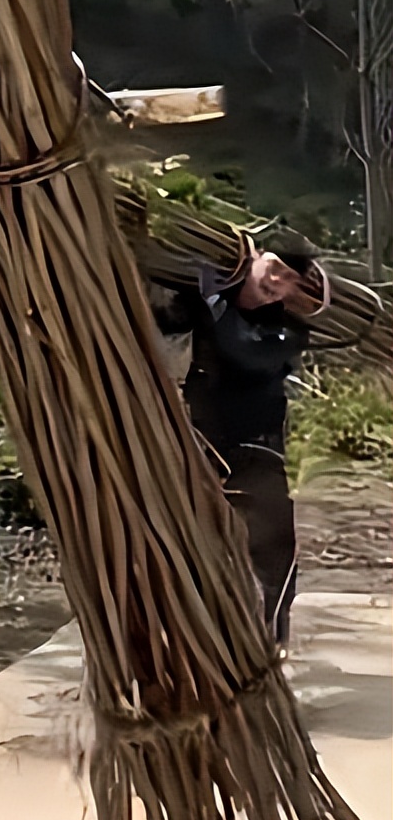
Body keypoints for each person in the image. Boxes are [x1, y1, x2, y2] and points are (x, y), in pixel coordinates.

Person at [152, 240, 322, 647]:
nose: (276, 284)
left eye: (288, 282)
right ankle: (190, 639)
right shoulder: (208, 301)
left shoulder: (289, 329)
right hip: (201, 444)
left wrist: (212, 299)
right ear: (256, 258)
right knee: (190, 541)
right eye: (275, 268)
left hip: (256, 449)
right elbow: (162, 320)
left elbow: (243, 350)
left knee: (272, 545)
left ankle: (271, 640)